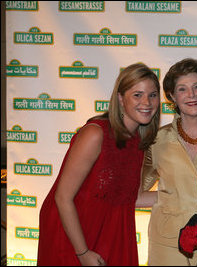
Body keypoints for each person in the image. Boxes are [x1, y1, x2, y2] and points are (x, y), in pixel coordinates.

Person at [37, 63, 161, 266]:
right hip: (73, 234)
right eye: (137, 94)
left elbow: (134, 198)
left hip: (111, 231)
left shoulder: (139, 142)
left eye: (153, 95)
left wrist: (183, 194)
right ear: (121, 99)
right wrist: (83, 253)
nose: (146, 102)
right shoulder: (95, 133)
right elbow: (62, 197)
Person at [141, 58, 197, 265]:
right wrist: (169, 198)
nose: (191, 95)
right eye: (182, 89)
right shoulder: (156, 140)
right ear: (172, 96)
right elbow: (135, 193)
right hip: (167, 243)